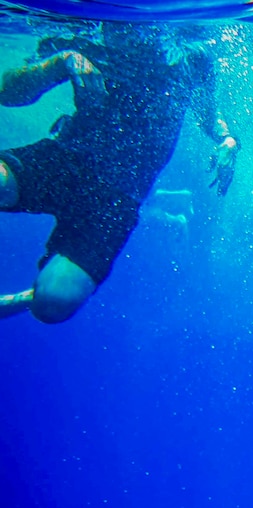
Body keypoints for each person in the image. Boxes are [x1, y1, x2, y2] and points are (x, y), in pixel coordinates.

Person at [0, 22, 239, 323]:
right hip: (64, 160)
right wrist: (61, 63)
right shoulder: (81, 34)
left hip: (117, 200)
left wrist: (227, 140)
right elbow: (7, 92)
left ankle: (30, 297)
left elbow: (208, 114)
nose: (125, 32)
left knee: (54, 304)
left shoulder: (193, 54)